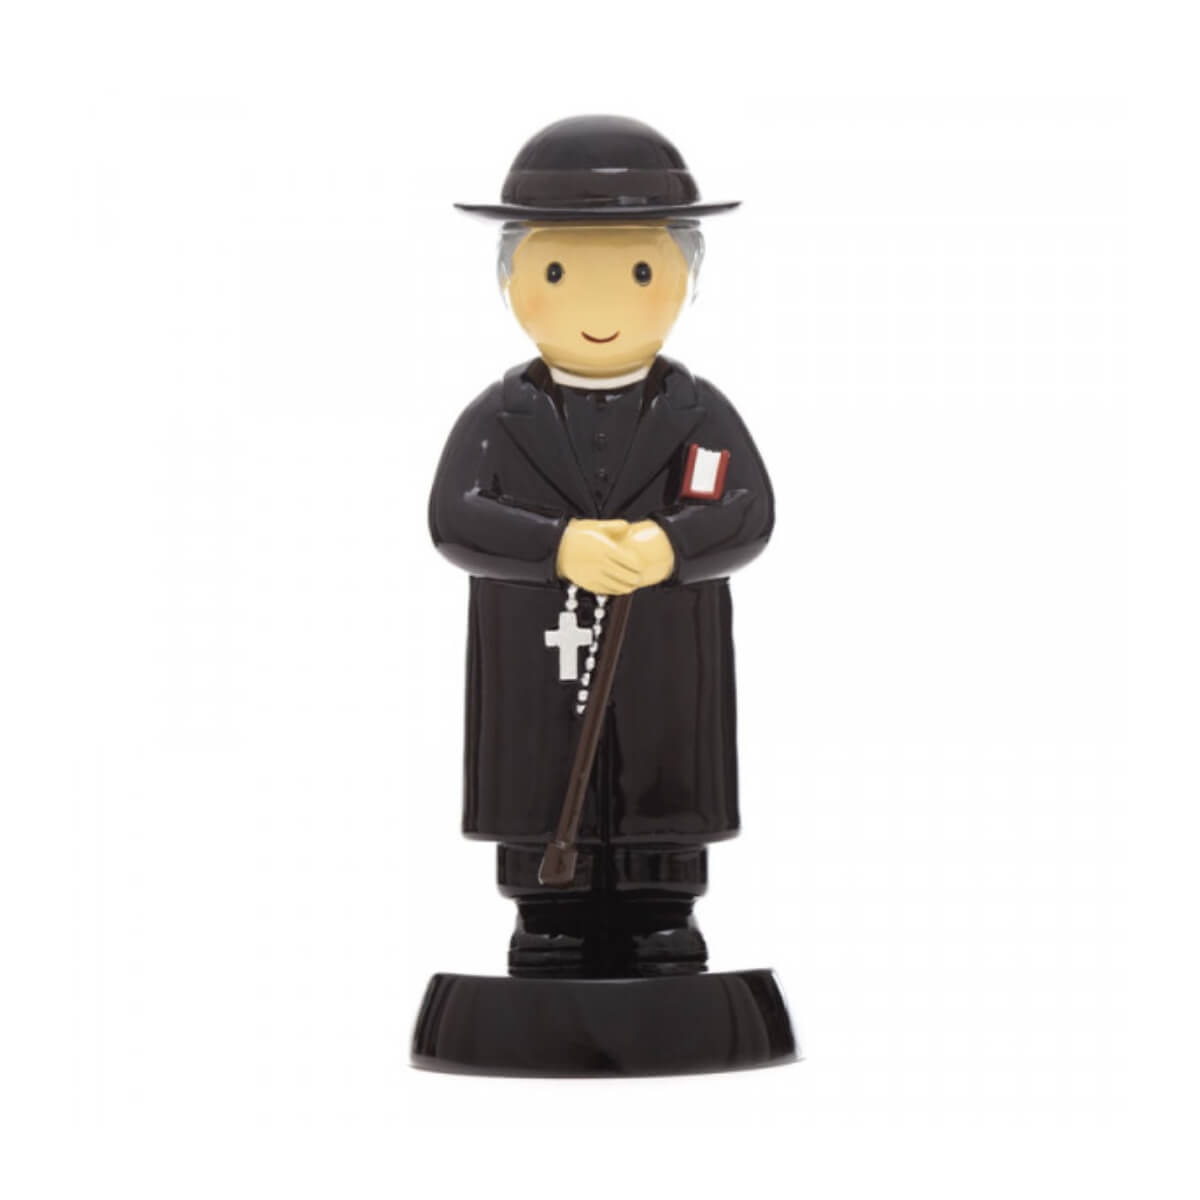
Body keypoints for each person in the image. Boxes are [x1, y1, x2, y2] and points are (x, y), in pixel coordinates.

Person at [430, 115, 774, 977]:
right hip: (533, 651)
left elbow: (750, 509)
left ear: (685, 277)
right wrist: (556, 546)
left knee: (663, 783)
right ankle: (547, 919)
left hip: (667, 653)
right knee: (540, 783)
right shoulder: (499, 418)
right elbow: (454, 516)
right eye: (557, 273)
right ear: (511, 281)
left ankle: (662, 917)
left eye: (639, 272)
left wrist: (669, 543)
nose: (600, 306)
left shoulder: (697, 414)